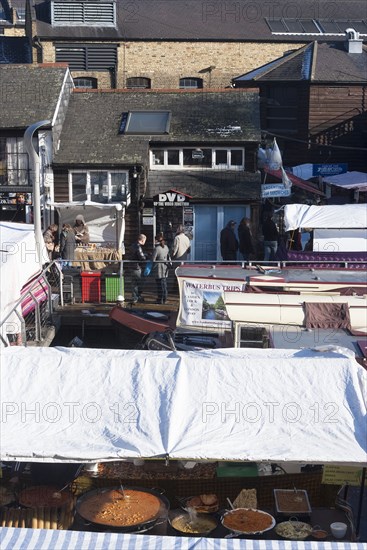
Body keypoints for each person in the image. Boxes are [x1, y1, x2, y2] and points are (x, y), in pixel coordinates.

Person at [152, 235, 171, 304]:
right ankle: (165, 299)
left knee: (159, 285)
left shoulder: (156, 248)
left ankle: (160, 299)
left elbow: (153, 259)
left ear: (156, 240)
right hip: (165, 267)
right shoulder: (166, 247)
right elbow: (168, 256)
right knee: (164, 284)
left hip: (158, 268)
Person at [129, 233, 147, 303]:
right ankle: (138, 296)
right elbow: (141, 257)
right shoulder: (138, 247)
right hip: (137, 267)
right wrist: (146, 257)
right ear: (142, 240)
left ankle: (134, 298)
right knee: (141, 281)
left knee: (134, 283)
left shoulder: (132, 245)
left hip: (131, 266)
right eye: (145, 240)